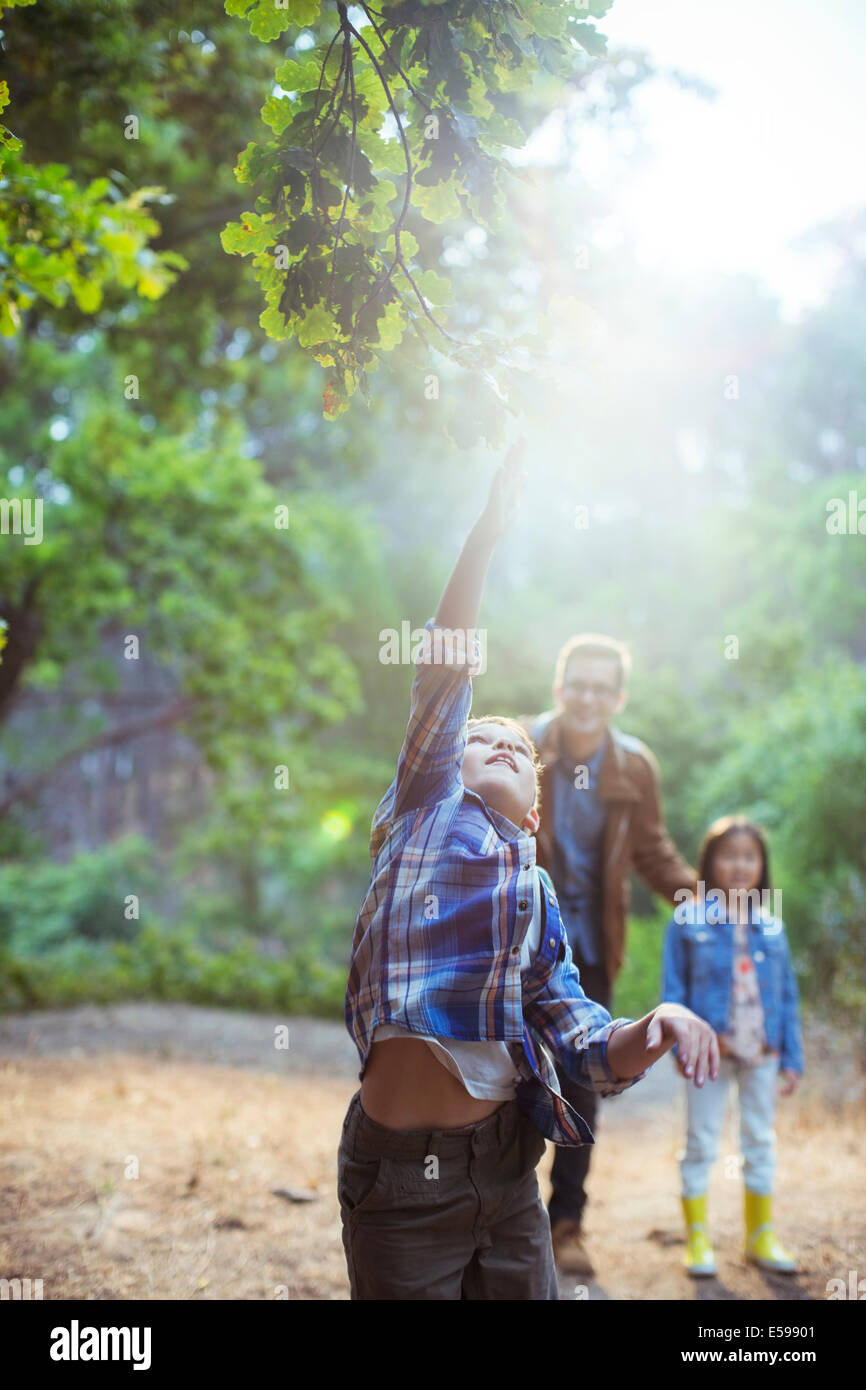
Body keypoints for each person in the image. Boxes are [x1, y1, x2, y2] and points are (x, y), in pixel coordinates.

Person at [338, 442, 719, 1300]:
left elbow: (580, 1035)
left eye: (515, 744)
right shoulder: (425, 810)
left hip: (506, 1168)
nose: (501, 738)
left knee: (569, 1060)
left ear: (534, 815)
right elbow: (445, 670)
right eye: (481, 736)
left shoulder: (537, 882)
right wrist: (484, 538)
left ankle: (567, 1218)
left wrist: (653, 1025)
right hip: (401, 1182)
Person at [522, 637, 697, 1275]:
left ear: (618, 697)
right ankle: (492, 1216)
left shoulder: (634, 766)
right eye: (579, 683)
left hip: (588, 945)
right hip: (515, 935)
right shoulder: (521, 744)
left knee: (581, 1083)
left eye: (603, 687)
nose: (589, 697)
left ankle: (565, 1222)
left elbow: (652, 850)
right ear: (559, 686)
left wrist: (705, 902)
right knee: (499, 1073)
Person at [661, 815, 804, 1277]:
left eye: (749, 857)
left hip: (762, 1052)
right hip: (709, 1055)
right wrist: (680, 1048)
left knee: (760, 1139)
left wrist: (792, 1057)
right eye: (729, 856)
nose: (739, 866)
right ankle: (698, 1239)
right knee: (700, 1141)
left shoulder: (772, 926)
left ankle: (761, 1235)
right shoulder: (687, 920)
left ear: (762, 866)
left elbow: (786, 995)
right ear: (709, 863)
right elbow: (673, 994)